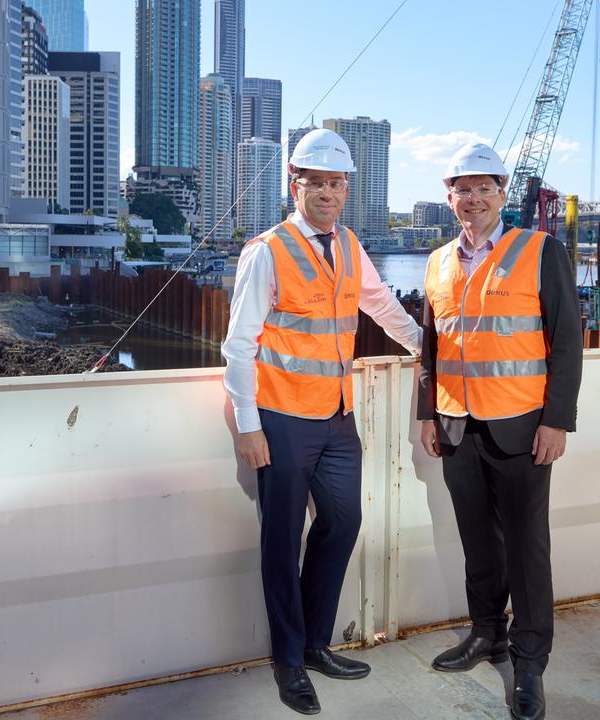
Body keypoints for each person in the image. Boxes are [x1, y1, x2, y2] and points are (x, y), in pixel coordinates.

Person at [222, 127, 422, 716]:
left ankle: (315, 643)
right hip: (281, 419)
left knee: (342, 521)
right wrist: (249, 425)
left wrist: (424, 348)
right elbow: (238, 346)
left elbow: (380, 303)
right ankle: (289, 661)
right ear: (295, 184)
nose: (330, 192)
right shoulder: (268, 250)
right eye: (318, 182)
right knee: (281, 541)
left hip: (337, 416)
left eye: (338, 183)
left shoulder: (349, 245)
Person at [417, 144, 582, 720]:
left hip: (521, 426)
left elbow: (566, 341)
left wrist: (557, 420)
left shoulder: (541, 250)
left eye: (484, 188)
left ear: (502, 194)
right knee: (479, 543)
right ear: (449, 197)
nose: (473, 198)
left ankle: (530, 661)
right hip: (458, 425)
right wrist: (426, 415)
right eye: (463, 189)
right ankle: (486, 633)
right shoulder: (438, 261)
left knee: (528, 548)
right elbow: (432, 346)